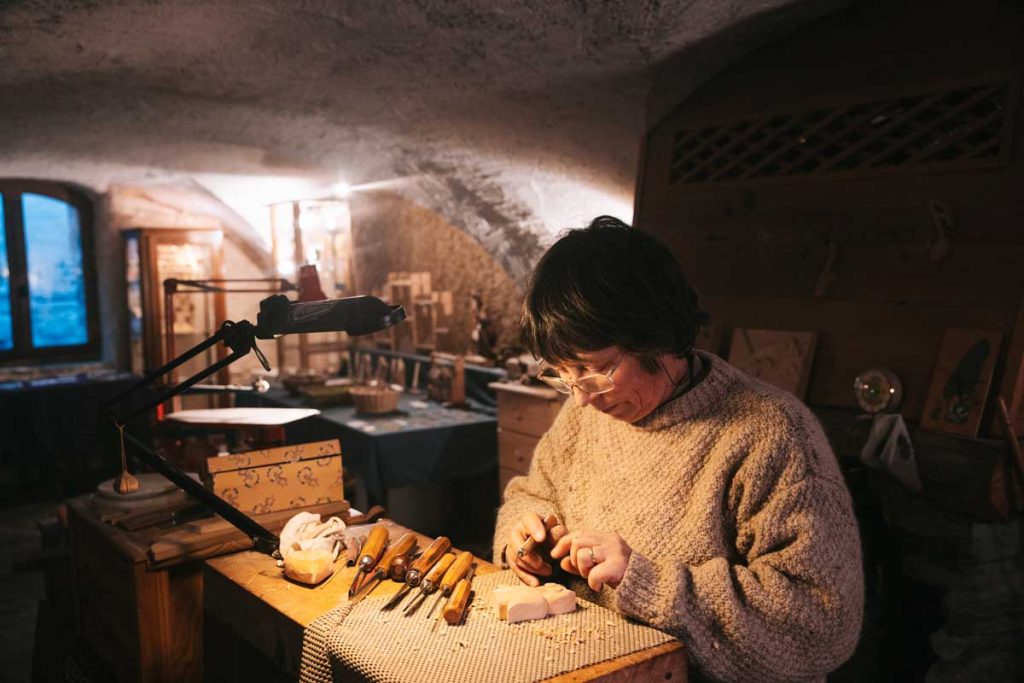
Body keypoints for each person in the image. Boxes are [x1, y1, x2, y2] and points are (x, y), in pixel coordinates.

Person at [493, 216, 863, 682]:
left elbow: (822, 622)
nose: (581, 397)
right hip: (588, 665)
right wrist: (526, 537)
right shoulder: (588, 410)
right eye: (562, 374)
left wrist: (647, 582)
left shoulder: (772, 434)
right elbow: (532, 494)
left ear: (657, 335)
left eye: (594, 369)